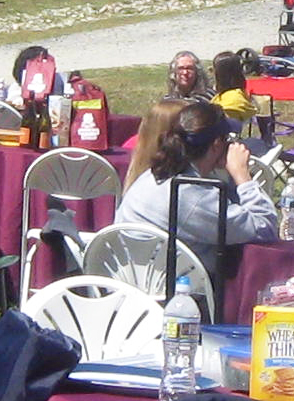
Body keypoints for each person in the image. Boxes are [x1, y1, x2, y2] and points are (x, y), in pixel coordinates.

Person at [113, 101, 274, 279]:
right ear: (216, 144)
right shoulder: (192, 196)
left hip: (131, 284)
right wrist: (242, 175)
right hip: (180, 290)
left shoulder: (154, 175)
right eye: (227, 138)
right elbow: (264, 228)